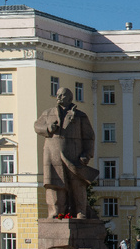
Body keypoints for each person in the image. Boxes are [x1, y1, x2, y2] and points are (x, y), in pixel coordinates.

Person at [33, 88, 98, 219]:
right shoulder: (48, 113)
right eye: (57, 94)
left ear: (70, 98)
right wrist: (48, 128)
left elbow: (89, 136)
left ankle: (80, 211)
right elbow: (37, 126)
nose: (58, 97)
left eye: (62, 95)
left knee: (77, 184)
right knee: (54, 185)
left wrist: (87, 154)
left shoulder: (80, 115)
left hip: (74, 155)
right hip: (52, 155)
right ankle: (56, 212)